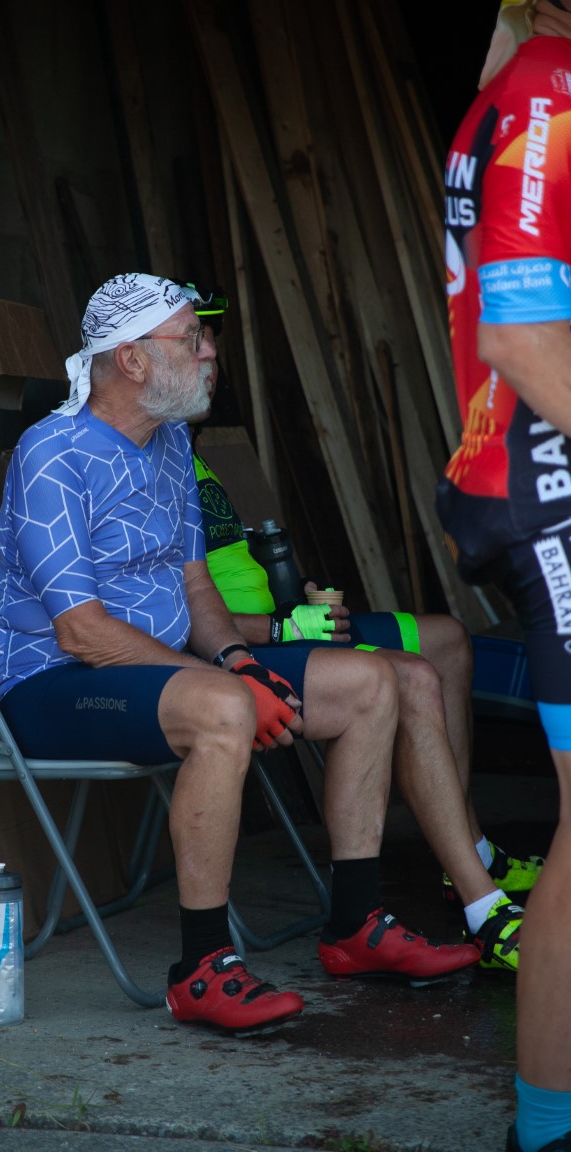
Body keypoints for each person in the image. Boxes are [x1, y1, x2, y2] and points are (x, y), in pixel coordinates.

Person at [0, 272, 480, 1039]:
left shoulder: (169, 443)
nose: (210, 351)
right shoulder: (52, 453)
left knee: (375, 681)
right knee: (222, 706)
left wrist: (240, 661)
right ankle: (202, 969)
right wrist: (226, 684)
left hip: (157, 674)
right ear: (132, 360)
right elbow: (80, 632)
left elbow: (195, 590)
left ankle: (356, 926)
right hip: (52, 685)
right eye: (192, 338)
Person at [178, 280, 539, 977]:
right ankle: (480, 902)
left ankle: (468, 853)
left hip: (277, 625)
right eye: (194, 340)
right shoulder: (138, 458)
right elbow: (172, 607)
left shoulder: (183, 449)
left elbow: (214, 577)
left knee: (446, 638)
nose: (211, 353)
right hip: (242, 646)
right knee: (410, 678)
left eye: (211, 337)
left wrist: (295, 599)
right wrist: (281, 622)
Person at [437, 3, 571, 1149]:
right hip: (543, 482)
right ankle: (545, 1126)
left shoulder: (529, 80)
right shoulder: (546, 88)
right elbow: (520, 338)